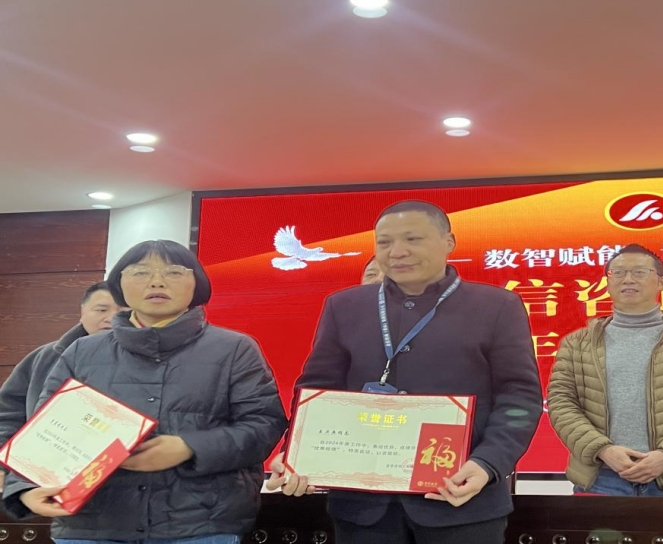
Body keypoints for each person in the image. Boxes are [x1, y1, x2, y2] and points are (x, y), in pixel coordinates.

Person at [268, 200, 542, 544]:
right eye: (384, 242)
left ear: (448, 243)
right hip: (363, 508)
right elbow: (318, 387)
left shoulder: (497, 306)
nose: (397, 252)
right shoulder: (345, 306)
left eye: (413, 239)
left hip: (460, 501)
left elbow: (520, 396)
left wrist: (488, 463)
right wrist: (296, 453)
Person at [2, 239, 288, 543]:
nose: (156, 281)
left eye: (174, 272)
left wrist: (189, 447)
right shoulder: (81, 352)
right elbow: (44, 431)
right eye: (140, 272)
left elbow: (264, 425)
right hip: (91, 524)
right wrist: (24, 487)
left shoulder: (234, 349)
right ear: (119, 285)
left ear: (197, 285)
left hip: (200, 525)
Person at [547, 244, 663, 497]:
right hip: (601, 477)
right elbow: (561, 404)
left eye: (639, 272)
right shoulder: (577, 344)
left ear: (662, 282)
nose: (628, 279)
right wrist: (603, 450)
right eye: (618, 273)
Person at [0, 282, 122, 448]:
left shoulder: (150, 359)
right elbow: (8, 412)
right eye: (101, 310)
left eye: (123, 311)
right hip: (41, 455)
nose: (111, 318)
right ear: (82, 313)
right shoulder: (45, 356)